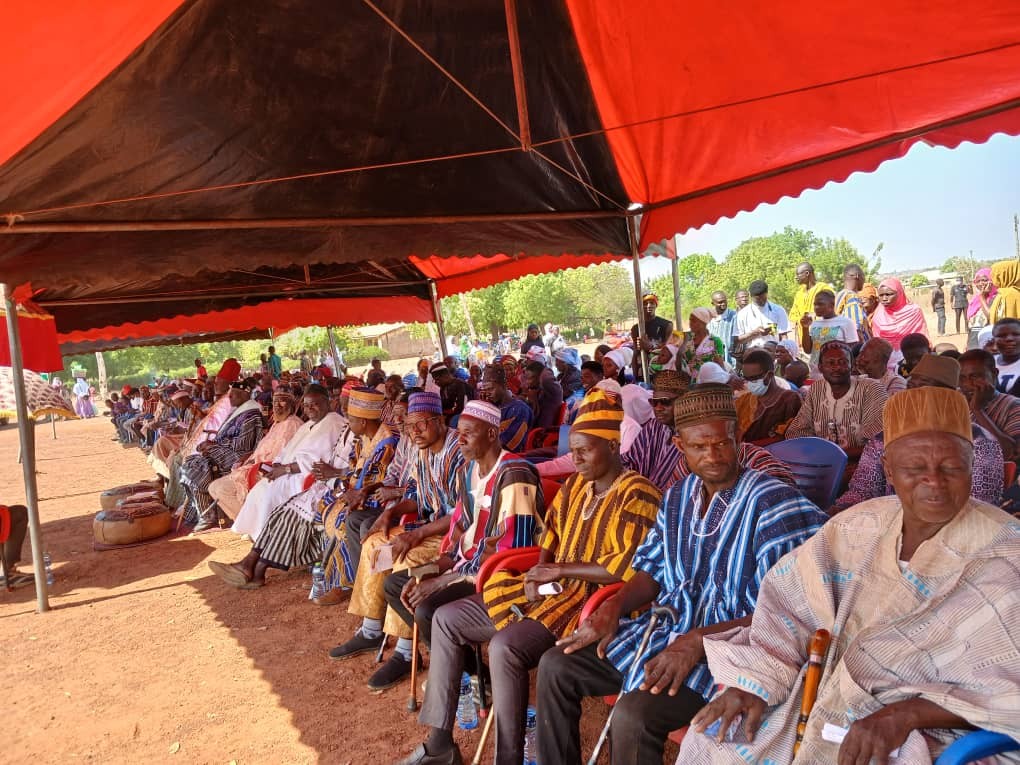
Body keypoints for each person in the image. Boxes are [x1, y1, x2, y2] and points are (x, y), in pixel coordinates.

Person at [680, 386, 1020, 764]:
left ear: (972, 465)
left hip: (937, 722)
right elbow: (789, 608)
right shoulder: (858, 526)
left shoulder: (1007, 553)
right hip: (822, 691)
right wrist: (755, 683)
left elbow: (1008, 690)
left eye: (952, 468)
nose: (934, 482)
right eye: (914, 469)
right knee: (715, 742)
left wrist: (906, 714)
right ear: (888, 469)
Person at [538, 384, 827, 765]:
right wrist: (614, 607)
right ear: (679, 445)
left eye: (722, 443)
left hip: (733, 653)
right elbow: (651, 570)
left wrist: (698, 641)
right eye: (699, 447)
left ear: (738, 436)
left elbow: (786, 613)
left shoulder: (774, 504)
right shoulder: (677, 496)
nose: (713, 456)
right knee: (556, 666)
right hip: (667, 632)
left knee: (634, 715)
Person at [411, 390, 657, 765]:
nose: (575, 459)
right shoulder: (576, 486)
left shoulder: (638, 493)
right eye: (573, 450)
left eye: (584, 451)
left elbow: (628, 566)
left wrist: (559, 570)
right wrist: (540, 570)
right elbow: (550, 537)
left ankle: (508, 757)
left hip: (592, 602)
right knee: (445, 618)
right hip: (552, 589)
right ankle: (440, 742)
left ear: (612, 445)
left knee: (505, 647)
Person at [382, 401, 544, 721]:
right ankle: (470, 670)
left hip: (500, 575)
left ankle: (475, 678)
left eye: (469, 432)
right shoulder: (468, 470)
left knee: (427, 608)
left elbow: (510, 548)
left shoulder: (515, 474)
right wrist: (438, 566)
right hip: (465, 567)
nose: (461, 439)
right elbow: (459, 528)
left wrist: (443, 580)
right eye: (460, 433)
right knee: (396, 585)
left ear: (492, 434)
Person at [330, 392, 464, 690]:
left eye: (421, 424)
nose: (414, 431)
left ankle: (405, 652)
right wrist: (390, 514)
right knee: (375, 543)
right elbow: (420, 497)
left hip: (456, 536)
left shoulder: (458, 450)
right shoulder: (422, 448)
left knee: (405, 556)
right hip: (430, 527)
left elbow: (461, 513)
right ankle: (371, 630)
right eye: (410, 425)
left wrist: (415, 534)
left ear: (440, 421)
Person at [831, 353, 1004, 512]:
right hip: (891, 523)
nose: (912, 394)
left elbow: (980, 504)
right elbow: (862, 491)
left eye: (923, 387)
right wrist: (839, 512)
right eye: (911, 386)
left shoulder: (978, 441)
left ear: (948, 395)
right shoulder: (885, 438)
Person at [230, 385, 347, 540]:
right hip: (287, 471)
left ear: (327, 402)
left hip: (306, 476)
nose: (309, 409)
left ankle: (267, 537)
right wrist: (277, 464)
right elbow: (287, 449)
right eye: (306, 405)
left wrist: (284, 470)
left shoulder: (333, 423)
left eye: (314, 404)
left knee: (271, 492)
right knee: (261, 487)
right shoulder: (308, 425)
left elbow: (314, 461)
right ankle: (257, 530)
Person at [208, 390, 303, 520]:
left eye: (282, 402)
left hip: (268, 469)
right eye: (275, 402)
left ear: (290, 405)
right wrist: (250, 458)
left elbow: (280, 455)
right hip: (253, 465)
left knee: (221, 489)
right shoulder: (278, 423)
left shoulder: (292, 423)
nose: (277, 405)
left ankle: (251, 523)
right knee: (213, 488)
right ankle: (247, 522)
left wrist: (254, 462)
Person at [181, 383, 264, 532]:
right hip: (225, 450)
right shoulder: (239, 411)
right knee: (189, 462)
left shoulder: (251, 415)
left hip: (237, 456)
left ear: (245, 394)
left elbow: (243, 445)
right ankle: (200, 511)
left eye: (233, 393)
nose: (229, 397)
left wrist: (213, 446)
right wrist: (212, 444)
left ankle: (207, 516)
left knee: (196, 467)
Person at [785, 341, 887, 459]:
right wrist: (816, 455)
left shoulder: (871, 389)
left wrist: (833, 456)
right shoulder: (817, 389)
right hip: (821, 461)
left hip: (862, 463)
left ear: (852, 365)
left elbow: (879, 442)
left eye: (843, 362)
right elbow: (797, 432)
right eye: (830, 362)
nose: (837, 367)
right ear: (820, 367)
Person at [622, 370, 690, 491]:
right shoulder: (653, 427)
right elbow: (631, 460)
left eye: (665, 402)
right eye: (654, 402)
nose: (658, 408)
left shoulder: (693, 435)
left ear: (684, 401)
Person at [959, 349, 1020, 461]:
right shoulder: (955, 402)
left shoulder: (1013, 405)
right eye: (962, 378)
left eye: (975, 376)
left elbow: (1011, 454)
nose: (967, 384)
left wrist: (978, 410)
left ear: (994, 373)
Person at [733, 349, 802, 443]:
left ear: (769, 375)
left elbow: (791, 436)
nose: (749, 383)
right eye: (746, 378)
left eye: (753, 378)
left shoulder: (790, 399)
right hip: (743, 451)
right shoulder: (743, 400)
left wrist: (751, 447)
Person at [870, 278, 929, 366]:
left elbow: (921, 337)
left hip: (912, 360)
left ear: (900, 293)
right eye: (881, 295)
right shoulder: (878, 314)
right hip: (886, 362)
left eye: (888, 294)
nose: (884, 298)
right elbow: (877, 342)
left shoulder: (914, 311)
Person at [799, 288, 859, 374]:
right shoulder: (815, 324)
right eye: (815, 304)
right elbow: (807, 350)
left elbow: (853, 350)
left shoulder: (846, 322)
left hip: (836, 372)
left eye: (820, 304)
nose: (816, 307)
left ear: (831, 305)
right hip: (816, 371)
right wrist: (805, 328)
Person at [475, 365, 532, 452]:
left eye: (491, 389)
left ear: (504, 385)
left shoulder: (520, 410)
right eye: (485, 390)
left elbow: (507, 444)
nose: (487, 393)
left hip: (509, 457)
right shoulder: (492, 406)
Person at [788, 261, 834, 350]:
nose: (796, 277)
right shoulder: (799, 294)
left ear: (807, 273)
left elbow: (831, 311)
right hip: (804, 341)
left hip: (822, 339)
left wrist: (813, 316)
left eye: (798, 274)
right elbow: (793, 316)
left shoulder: (823, 289)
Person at [734, 280, 790, 351]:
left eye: (763, 298)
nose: (761, 301)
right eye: (757, 299)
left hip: (773, 352)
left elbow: (783, 336)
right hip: (752, 353)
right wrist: (755, 333)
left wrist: (783, 350)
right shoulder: (742, 314)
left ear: (767, 294)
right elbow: (738, 340)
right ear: (751, 296)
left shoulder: (778, 310)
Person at [631, 292, 674, 381]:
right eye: (645, 303)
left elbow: (670, 350)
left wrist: (651, 347)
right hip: (642, 370)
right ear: (640, 306)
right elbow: (635, 353)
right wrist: (634, 377)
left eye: (652, 303)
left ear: (656, 305)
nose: (649, 306)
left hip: (660, 370)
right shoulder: (635, 329)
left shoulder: (666, 325)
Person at [682, 308, 726, 377]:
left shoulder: (714, 341)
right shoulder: (688, 339)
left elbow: (720, 365)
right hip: (688, 379)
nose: (690, 323)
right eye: (690, 320)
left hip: (708, 380)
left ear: (703, 323)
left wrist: (727, 377)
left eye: (693, 321)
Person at [522, 360, 564, 429]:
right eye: (526, 378)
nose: (527, 382)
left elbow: (546, 378)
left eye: (530, 378)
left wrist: (544, 369)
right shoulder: (538, 391)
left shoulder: (552, 392)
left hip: (543, 432)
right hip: (535, 429)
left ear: (539, 377)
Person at [834, 263, 870, 341]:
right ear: (857, 276)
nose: (864, 281)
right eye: (863, 277)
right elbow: (856, 330)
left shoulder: (839, 296)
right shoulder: (852, 297)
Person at [968, 266, 998, 348]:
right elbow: (971, 324)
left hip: (989, 344)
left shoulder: (996, 298)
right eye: (978, 281)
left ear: (992, 280)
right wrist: (967, 342)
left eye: (984, 280)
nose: (981, 283)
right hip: (973, 343)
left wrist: (982, 297)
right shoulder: (974, 301)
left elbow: (992, 317)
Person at [707, 291, 739, 366]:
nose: (723, 304)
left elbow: (737, 338)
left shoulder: (734, 316)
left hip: (729, 361)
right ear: (713, 303)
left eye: (725, 301)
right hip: (711, 361)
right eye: (720, 302)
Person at [993, 317, 1020, 396]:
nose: (1009, 339)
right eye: (1002, 335)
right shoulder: (987, 362)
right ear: (994, 339)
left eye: (1016, 334)